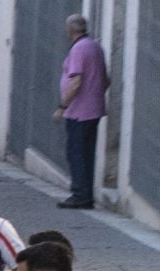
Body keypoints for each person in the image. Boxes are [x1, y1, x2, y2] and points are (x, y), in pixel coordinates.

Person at [55, 15, 108, 210]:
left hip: (79, 111)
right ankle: (85, 194)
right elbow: (106, 79)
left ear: (70, 30)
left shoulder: (78, 49)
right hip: (94, 108)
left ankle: (81, 195)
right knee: (86, 153)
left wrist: (62, 106)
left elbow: (75, 81)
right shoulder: (95, 47)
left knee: (76, 153)